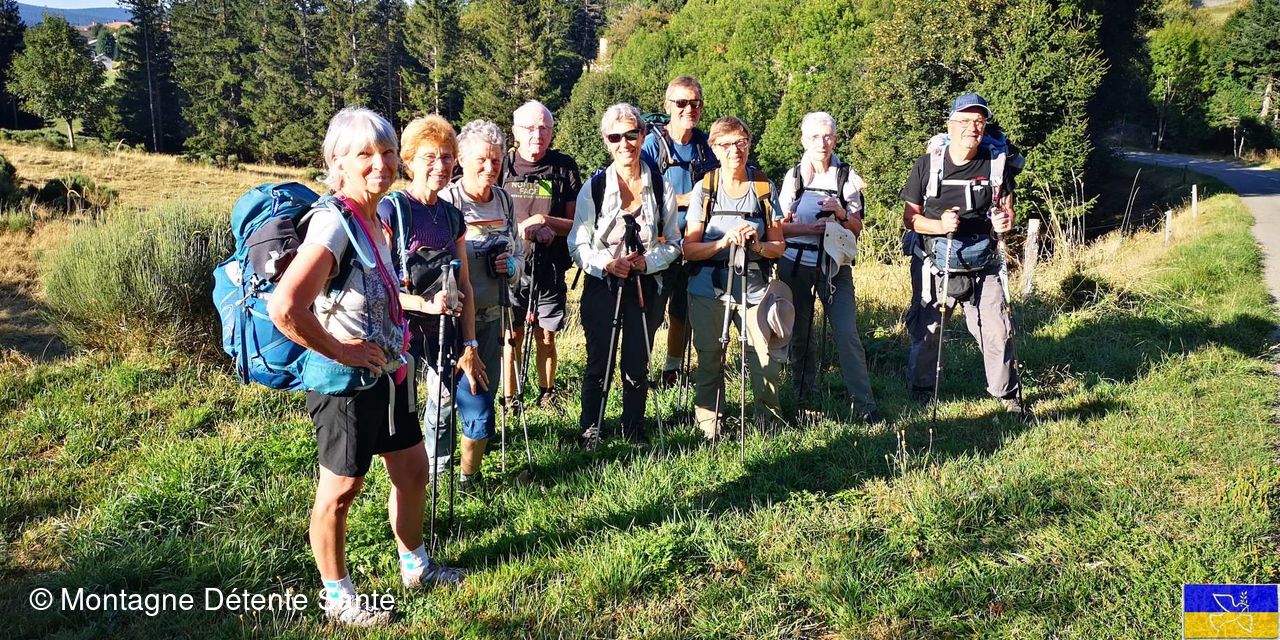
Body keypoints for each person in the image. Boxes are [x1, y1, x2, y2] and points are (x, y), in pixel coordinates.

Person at [267, 108, 461, 628]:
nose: (381, 163)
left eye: (388, 152)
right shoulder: (334, 222)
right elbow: (286, 307)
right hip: (346, 384)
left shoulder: (377, 219)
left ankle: (416, 566)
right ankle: (338, 597)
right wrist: (343, 351)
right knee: (340, 492)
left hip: (390, 374)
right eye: (365, 155)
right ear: (339, 163)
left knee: (413, 471)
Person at [379, 114, 489, 493]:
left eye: (446, 157)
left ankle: (448, 476)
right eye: (429, 157)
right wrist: (425, 304)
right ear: (409, 160)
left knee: (457, 405)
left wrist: (470, 344)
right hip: (402, 334)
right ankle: (414, 484)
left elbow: (465, 285)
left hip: (446, 330)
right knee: (408, 415)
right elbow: (379, 287)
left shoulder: (452, 216)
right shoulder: (392, 210)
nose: (440, 166)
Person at [900, 93, 1023, 413]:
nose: (973, 127)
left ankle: (1006, 395)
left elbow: (1007, 211)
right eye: (965, 121)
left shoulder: (997, 163)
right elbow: (910, 219)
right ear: (950, 125)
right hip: (934, 259)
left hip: (983, 261)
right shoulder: (927, 165)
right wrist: (939, 225)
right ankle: (922, 389)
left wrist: (1005, 221)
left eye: (979, 121)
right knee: (930, 329)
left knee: (997, 329)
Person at [571, 103, 681, 446]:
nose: (624, 143)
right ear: (606, 141)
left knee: (637, 361)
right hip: (602, 284)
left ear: (643, 136)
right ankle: (591, 429)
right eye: (615, 137)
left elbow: (674, 243)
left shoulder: (661, 186)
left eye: (631, 134)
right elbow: (578, 243)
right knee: (599, 361)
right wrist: (607, 263)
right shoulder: (595, 187)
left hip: (645, 284)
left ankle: (633, 429)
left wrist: (646, 262)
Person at [682, 116, 787, 439]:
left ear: (749, 145)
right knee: (710, 357)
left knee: (764, 357)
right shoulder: (705, 189)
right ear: (714, 149)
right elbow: (689, 249)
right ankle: (709, 426)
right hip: (707, 288)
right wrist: (723, 243)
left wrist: (757, 245)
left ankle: (768, 423)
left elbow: (778, 245)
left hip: (754, 288)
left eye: (741, 142)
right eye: (726, 144)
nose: (734, 151)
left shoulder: (764, 188)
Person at [778, 112, 884, 424]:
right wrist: (810, 229)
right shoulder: (793, 177)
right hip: (795, 264)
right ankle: (803, 400)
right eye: (814, 137)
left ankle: (865, 406)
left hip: (835, 266)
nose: (821, 143)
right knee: (799, 334)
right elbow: (778, 228)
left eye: (827, 136)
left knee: (847, 333)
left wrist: (840, 213)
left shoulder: (846, 177)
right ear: (803, 141)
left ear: (835, 140)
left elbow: (857, 228)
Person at [440, 119, 524, 489]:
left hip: (492, 317)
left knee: (480, 400)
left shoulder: (504, 200)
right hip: (449, 322)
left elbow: (518, 255)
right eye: (481, 160)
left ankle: (467, 480)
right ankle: (435, 474)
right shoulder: (448, 202)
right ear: (461, 159)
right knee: (443, 402)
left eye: (496, 160)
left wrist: (512, 267)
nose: (490, 167)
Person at [500, 100, 582, 409]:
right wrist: (523, 229)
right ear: (515, 132)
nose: (538, 134)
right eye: (531, 128)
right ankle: (510, 398)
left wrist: (544, 221)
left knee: (546, 335)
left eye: (545, 128)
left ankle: (547, 394)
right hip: (509, 267)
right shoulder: (502, 166)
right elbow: (489, 218)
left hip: (550, 267)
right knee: (512, 335)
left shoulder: (564, 167)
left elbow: (576, 225)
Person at [642, 76, 717, 389]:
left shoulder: (705, 146)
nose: (689, 109)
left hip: (695, 243)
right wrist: (686, 199)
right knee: (651, 312)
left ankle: (671, 371)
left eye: (695, 103)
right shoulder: (652, 145)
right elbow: (642, 190)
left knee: (682, 313)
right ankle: (638, 371)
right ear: (668, 106)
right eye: (682, 103)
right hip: (659, 242)